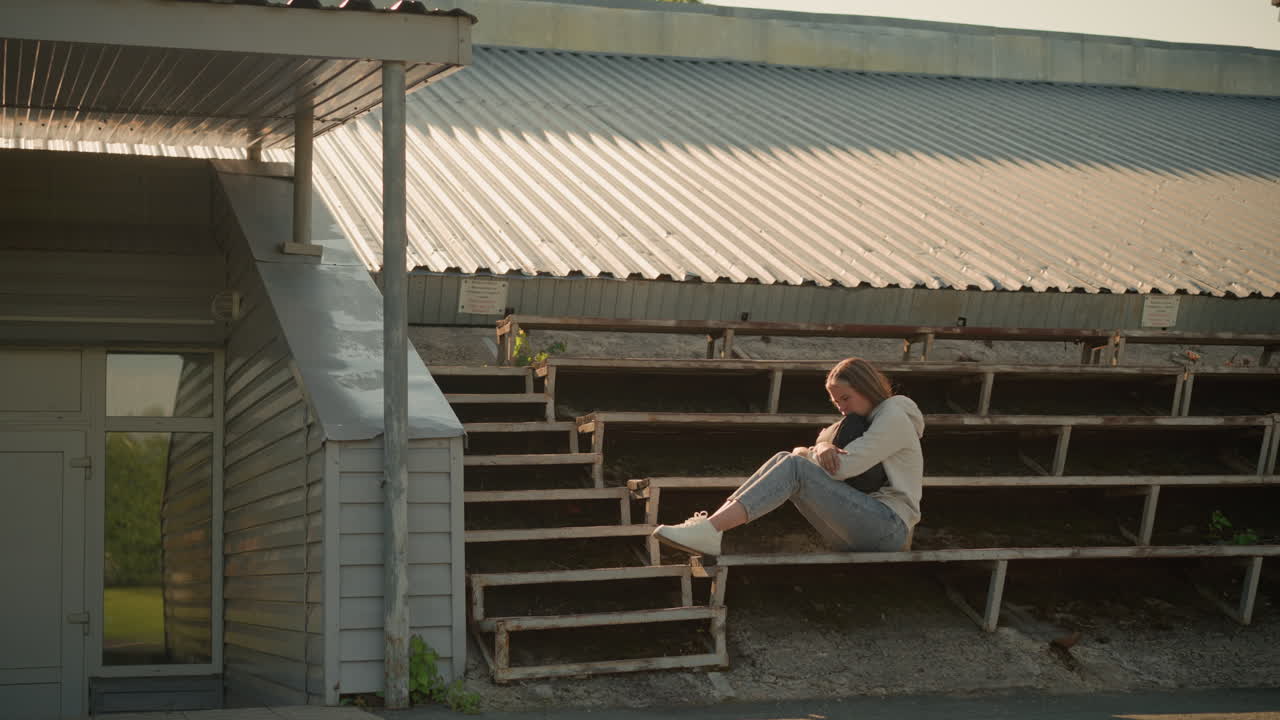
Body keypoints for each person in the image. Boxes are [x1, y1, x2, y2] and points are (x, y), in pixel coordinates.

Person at [651, 357, 925, 556]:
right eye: (836, 403)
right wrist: (822, 448)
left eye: (846, 398)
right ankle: (710, 529)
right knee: (787, 458)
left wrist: (819, 452)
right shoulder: (868, 420)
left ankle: (710, 530)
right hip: (862, 525)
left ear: (867, 390)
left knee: (794, 467)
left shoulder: (894, 416)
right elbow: (805, 449)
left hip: (889, 527)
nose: (842, 409)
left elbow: (843, 468)